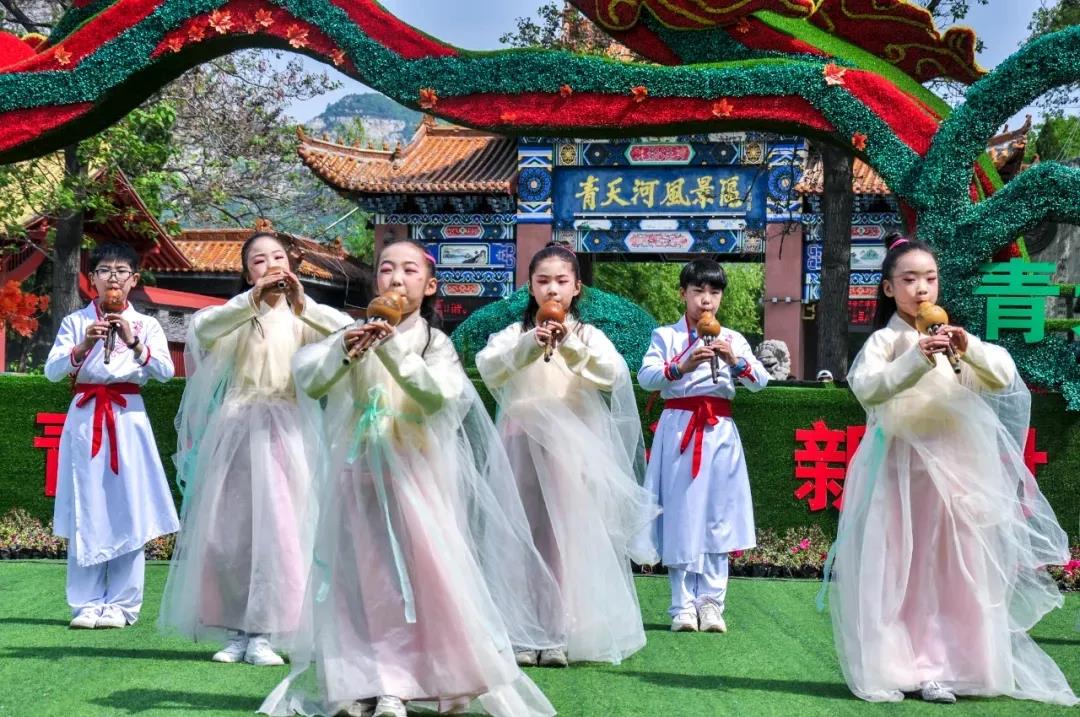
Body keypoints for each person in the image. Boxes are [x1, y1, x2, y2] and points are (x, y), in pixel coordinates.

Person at [261, 240, 557, 717]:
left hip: (418, 474)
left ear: (430, 285)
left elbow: (438, 397)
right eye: (386, 270)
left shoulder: (434, 343)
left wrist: (390, 347)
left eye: (408, 271)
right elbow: (311, 380)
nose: (396, 279)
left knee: (423, 580)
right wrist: (345, 353)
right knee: (361, 580)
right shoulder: (350, 333)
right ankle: (364, 680)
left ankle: (409, 680)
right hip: (358, 469)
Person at [824, 232, 1078, 705]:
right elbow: (868, 388)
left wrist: (969, 348)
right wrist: (917, 359)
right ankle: (901, 666)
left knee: (954, 565)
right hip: (901, 469)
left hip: (956, 471)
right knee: (902, 565)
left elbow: (1003, 377)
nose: (921, 288)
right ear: (888, 288)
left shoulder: (953, 338)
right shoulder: (886, 340)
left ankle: (952, 666)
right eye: (909, 279)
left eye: (930, 278)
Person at [159, 231, 351, 665]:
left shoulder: (303, 316)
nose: (271, 266)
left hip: (286, 429)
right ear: (248, 273)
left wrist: (304, 304)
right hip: (238, 427)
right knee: (229, 533)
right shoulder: (238, 313)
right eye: (259, 261)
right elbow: (202, 330)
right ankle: (235, 630)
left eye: (279, 257)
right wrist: (251, 300)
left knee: (281, 531)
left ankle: (267, 630)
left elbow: (347, 333)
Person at [476, 243, 658, 667]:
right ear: (530, 287)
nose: (552, 289)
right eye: (543, 281)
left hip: (571, 447)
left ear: (577, 287)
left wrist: (571, 346)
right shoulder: (513, 334)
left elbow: (612, 375)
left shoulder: (589, 335)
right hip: (520, 440)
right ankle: (522, 631)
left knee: (564, 537)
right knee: (520, 534)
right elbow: (489, 368)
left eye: (561, 281)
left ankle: (557, 631)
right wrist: (529, 344)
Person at [43, 241, 178, 629]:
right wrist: (85, 343)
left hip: (128, 416)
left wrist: (134, 342)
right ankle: (86, 604)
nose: (113, 279)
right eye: (104, 271)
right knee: (86, 502)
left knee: (129, 505)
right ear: (92, 280)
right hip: (86, 417)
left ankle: (121, 604)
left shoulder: (147, 325)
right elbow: (52, 371)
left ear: (134, 279)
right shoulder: (75, 322)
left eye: (121, 272)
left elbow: (166, 372)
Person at [638, 258, 769, 633]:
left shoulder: (734, 339)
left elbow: (760, 381)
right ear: (683, 293)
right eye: (698, 291)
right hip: (680, 427)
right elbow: (647, 377)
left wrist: (735, 361)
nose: (706, 300)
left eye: (714, 292)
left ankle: (711, 603)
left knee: (717, 515)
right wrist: (682, 365)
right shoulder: (666, 336)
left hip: (719, 432)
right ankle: (682, 605)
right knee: (681, 513)